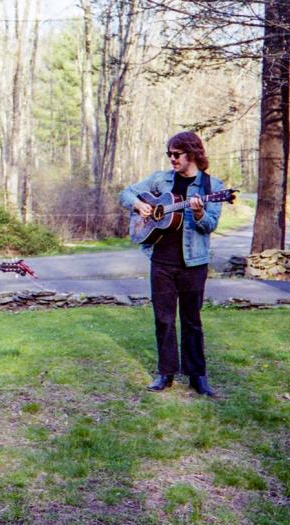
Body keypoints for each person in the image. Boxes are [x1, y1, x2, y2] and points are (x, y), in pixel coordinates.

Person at [120, 131, 223, 397]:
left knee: (192, 321)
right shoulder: (161, 179)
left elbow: (210, 225)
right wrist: (139, 206)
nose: (172, 159)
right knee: (163, 319)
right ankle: (166, 373)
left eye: (177, 154)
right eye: (169, 154)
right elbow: (127, 193)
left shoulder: (212, 187)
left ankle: (197, 376)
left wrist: (200, 213)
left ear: (193, 153)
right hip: (161, 261)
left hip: (194, 263)